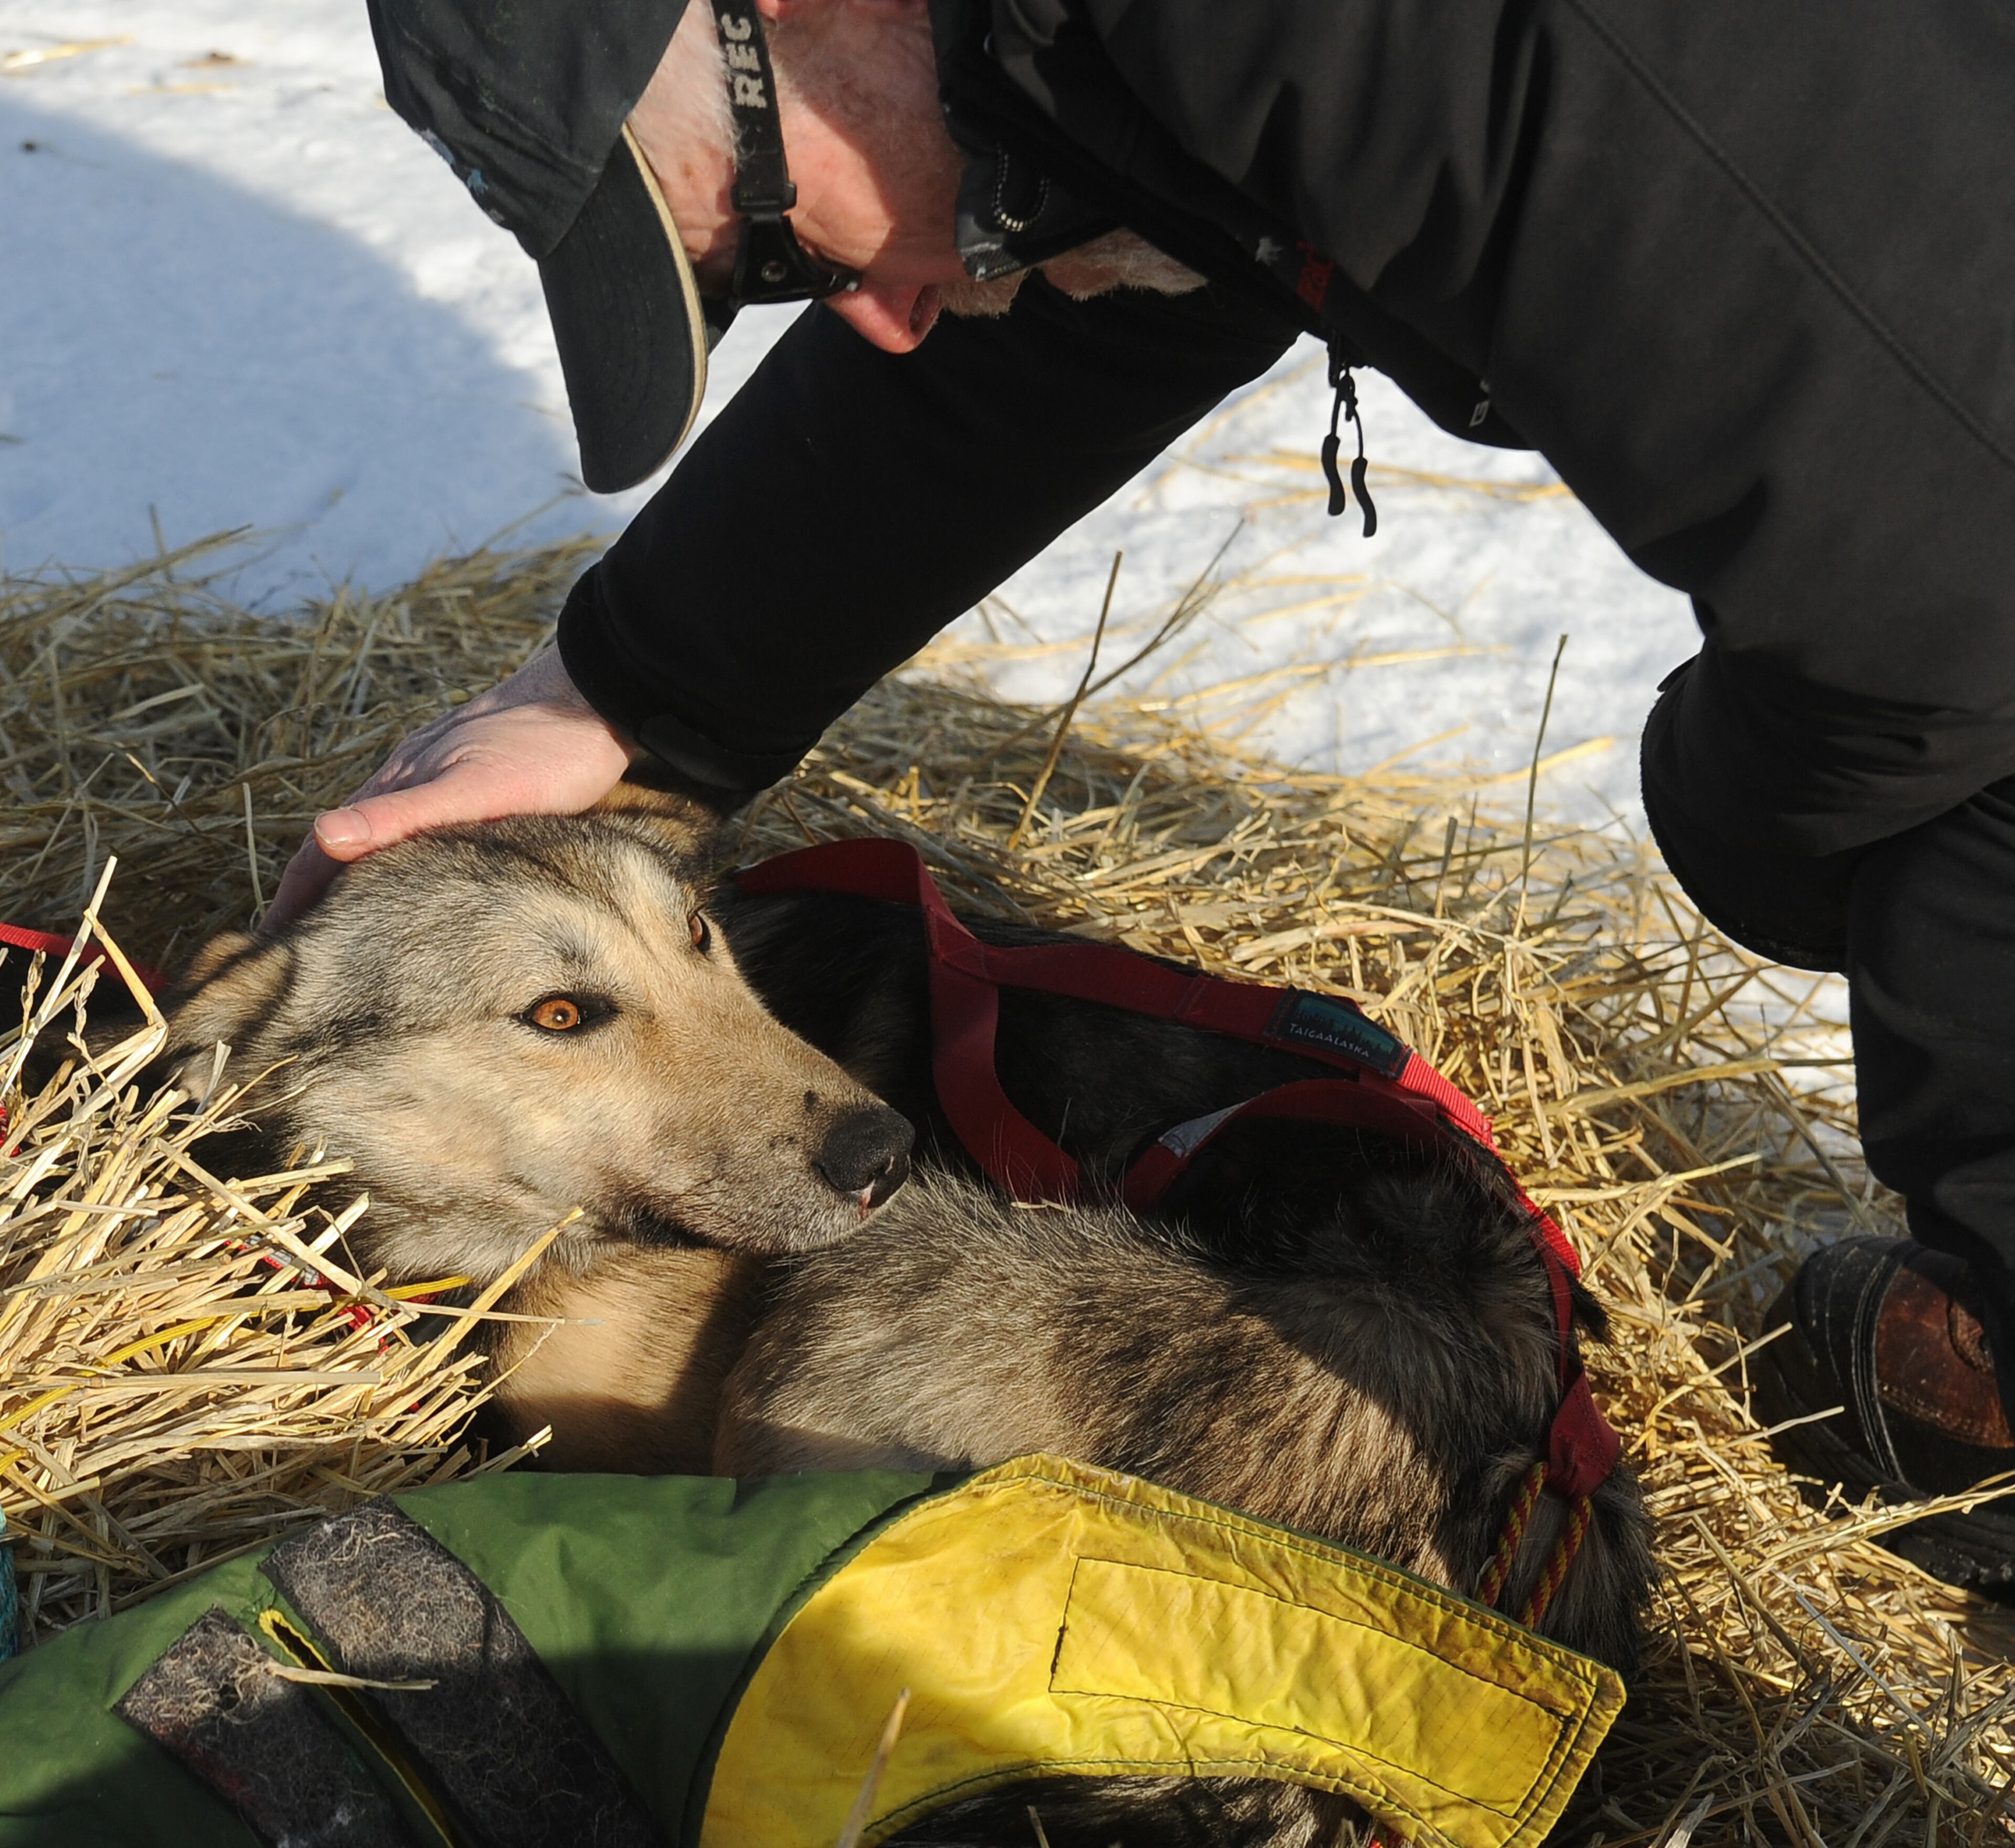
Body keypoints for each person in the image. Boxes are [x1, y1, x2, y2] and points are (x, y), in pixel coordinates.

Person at [276, 0, 2015, 1587]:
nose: (875, 305)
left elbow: (1951, 599)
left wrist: (1739, 828)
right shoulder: (1159, 50)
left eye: (784, 250)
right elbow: (1070, 287)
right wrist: (630, 695)